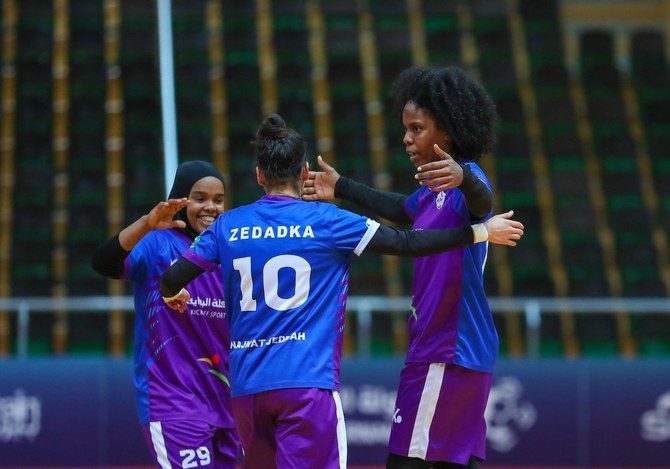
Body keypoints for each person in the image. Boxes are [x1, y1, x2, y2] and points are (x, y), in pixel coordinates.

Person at [159, 114, 523, 469]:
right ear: (303, 173)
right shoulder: (328, 221)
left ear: (258, 175)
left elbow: (172, 278)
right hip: (307, 386)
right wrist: (479, 232)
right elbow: (408, 242)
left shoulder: (228, 225)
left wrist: (171, 293)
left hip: (248, 391)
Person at [303, 65, 503, 469]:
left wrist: (463, 175)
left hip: (447, 350)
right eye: (406, 129)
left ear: (446, 131)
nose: (407, 139)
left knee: (407, 461)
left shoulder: (467, 184)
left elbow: (482, 204)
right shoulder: (431, 193)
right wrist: (341, 187)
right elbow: (400, 208)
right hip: (447, 350)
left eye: (417, 129)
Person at [91, 161, 239, 469]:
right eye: (200, 198)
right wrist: (147, 223)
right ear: (181, 199)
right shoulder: (158, 244)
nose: (210, 207)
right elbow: (104, 262)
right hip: (173, 401)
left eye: (218, 199)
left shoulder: (230, 252)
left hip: (229, 404)